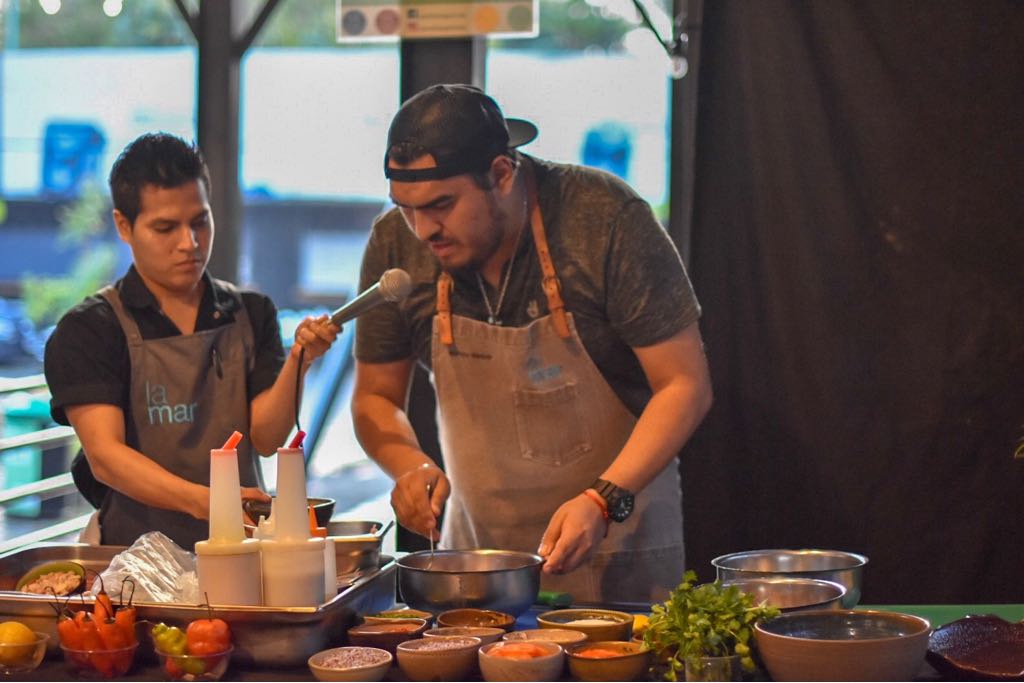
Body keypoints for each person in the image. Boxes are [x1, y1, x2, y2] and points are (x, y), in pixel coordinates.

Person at [351, 84, 713, 603]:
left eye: (442, 205)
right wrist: (408, 465)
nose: (423, 229)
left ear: (501, 173)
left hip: (616, 546)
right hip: (481, 563)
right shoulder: (396, 242)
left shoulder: (603, 219)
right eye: (405, 208)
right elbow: (375, 397)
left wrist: (604, 498)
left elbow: (684, 384)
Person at [44, 133, 339, 549]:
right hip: (131, 561)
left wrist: (300, 360)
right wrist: (209, 503)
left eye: (199, 221)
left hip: (240, 554)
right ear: (124, 226)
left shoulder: (250, 313)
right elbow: (106, 458)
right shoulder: (91, 328)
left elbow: (268, 438)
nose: (190, 243)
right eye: (165, 227)